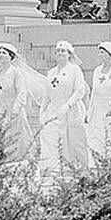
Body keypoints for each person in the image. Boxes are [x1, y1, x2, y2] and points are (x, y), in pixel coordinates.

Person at [38, 40, 91, 175]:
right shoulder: (51, 73)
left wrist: (67, 105)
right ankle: (50, 167)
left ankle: (77, 167)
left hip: (71, 110)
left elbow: (80, 90)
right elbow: (46, 94)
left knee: (73, 140)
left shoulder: (74, 70)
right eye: (58, 51)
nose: (60, 53)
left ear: (69, 54)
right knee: (48, 135)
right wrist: (42, 112)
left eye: (63, 51)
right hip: (54, 110)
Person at [0, 43, 43, 164]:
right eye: (0, 52)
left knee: (18, 137)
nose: (1, 55)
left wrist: (15, 110)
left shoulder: (15, 73)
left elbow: (21, 92)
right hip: (1, 109)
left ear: (11, 57)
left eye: (4, 53)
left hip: (14, 109)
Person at [86, 41, 111, 162]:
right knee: (95, 140)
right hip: (97, 110)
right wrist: (89, 111)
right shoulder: (97, 70)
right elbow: (94, 92)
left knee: (110, 139)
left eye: (102, 52)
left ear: (110, 54)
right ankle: (97, 165)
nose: (100, 55)